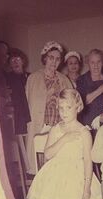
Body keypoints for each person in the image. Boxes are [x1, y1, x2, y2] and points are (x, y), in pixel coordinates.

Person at [25, 41, 72, 175]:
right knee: (40, 163)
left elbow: (71, 103)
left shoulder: (64, 79)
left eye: (57, 59)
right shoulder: (33, 78)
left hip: (59, 126)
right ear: (45, 58)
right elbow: (30, 103)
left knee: (58, 165)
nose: (54, 62)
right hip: (40, 126)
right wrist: (48, 94)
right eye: (51, 57)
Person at [76, 48, 103, 129]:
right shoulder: (82, 80)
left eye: (99, 62)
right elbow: (83, 101)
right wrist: (101, 89)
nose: (96, 66)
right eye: (92, 62)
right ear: (88, 63)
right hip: (88, 123)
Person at [6, 48, 31, 135]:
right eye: (12, 60)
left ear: (23, 61)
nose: (15, 62)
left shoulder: (31, 77)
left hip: (30, 112)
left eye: (18, 59)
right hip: (16, 115)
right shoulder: (7, 78)